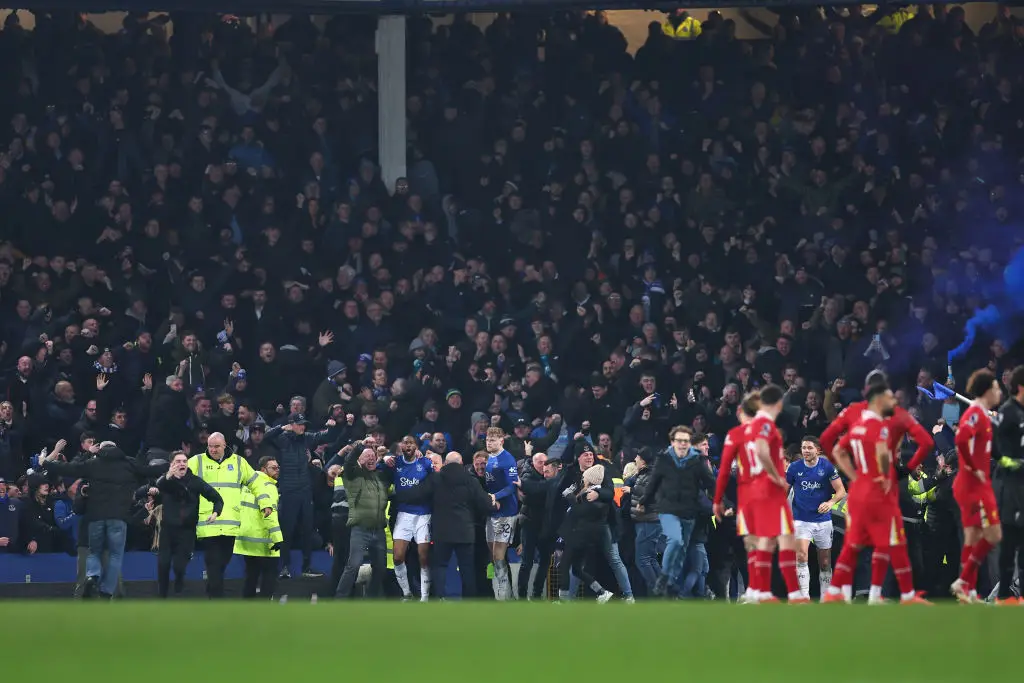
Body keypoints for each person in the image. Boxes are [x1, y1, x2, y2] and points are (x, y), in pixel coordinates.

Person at [825, 381, 930, 605]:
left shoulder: (858, 424)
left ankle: (838, 592)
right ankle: (902, 595)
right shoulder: (881, 426)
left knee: (855, 543)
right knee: (893, 541)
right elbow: (883, 452)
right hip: (879, 491)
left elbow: (835, 449)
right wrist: (887, 473)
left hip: (859, 489)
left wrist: (853, 476)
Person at [40, 441, 166, 598]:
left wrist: (45, 463)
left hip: (96, 517)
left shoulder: (93, 464)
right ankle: (106, 591)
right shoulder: (128, 464)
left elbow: (69, 469)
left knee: (94, 552)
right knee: (115, 556)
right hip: (118, 518)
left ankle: (92, 575)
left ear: (100, 450)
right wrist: (172, 466)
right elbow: (149, 470)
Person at [187, 432, 268, 598]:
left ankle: (212, 594)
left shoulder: (239, 462)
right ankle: (216, 602)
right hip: (209, 524)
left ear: (225, 445)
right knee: (214, 565)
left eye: (217, 446)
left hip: (231, 525)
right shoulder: (197, 461)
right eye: (210, 446)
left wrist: (265, 503)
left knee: (221, 565)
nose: (213, 449)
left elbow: (257, 484)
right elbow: (180, 476)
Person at [745, 384, 806, 603]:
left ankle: (764, 592)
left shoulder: (754, 424)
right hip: (767, 489)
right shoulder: (763, 424)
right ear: (778, 404)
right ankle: (790, 594)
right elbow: (761, 451)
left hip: (757, 489)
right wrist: (776, 477)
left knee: (769, 541)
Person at [641, 425, 715, 597]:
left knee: (691, 566)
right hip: (692, 528)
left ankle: (682, 594)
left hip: (693, 528)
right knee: (698, 568)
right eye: (704, 444)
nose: (707, 447)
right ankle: (683, 595)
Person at [262, 413, 339, 579]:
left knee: (307, 530)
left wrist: (332, 425)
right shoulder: (282, 438)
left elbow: (327, 435)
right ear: (291, 424)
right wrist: (281, 428)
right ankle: (283, 567)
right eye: (299, 424)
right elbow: (266, 437)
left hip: (305, 491)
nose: (303, 427)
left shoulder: (307, 438)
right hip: (288, 491)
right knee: (286, 532)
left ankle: (306, 567)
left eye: (304, 424)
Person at [951, 370, 1004, 604]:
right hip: (972, 484)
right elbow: (961, 439)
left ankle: (967, 590)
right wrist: (973, 467)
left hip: (976, 484)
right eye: (997, 387)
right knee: (993, 535)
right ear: (987, 390)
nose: (1000, 392)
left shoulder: (982, 414)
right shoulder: (974, 413)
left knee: (973, 538)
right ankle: (964, 583)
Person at [422, 452, 493, 598]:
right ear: (461, 463)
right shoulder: (470, 480)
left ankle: (437, 599)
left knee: (440, 567)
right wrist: (494, 504)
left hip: (442, 532)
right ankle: (469, 603)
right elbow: (485, 504)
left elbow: (419, 494)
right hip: (465, 532)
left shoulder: (435, 479)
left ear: (446, 464)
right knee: (467, 569)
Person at [155, 450, 224, 598]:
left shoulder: (195, 481)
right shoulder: (167, 481)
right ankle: (162, 596)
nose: (182, 464)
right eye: (178, 461)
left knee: (179, 566)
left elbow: (217, 498)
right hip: (167, 530)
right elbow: (160, 484)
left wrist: (215, 513)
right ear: (171, 464)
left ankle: (179, 578)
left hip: (187, 531)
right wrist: (168, 475)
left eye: (184, 461)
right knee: (163, 564)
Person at [713, 392, 760, 602]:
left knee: (745, 557)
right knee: (727, 560)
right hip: (729, 518)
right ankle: (729, 596)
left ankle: (750, 593)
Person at [786, 436, 845, 600]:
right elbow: (784, 489)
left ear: (817, 450)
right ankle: (803, 598)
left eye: (809, 448)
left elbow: (841, 490)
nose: (805, 451)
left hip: (822, 520)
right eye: (803, 448)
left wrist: (830, 502)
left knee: (825, 562)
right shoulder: (794, 468)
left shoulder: (827, 467)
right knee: (801, 556)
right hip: (801, 519)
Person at [335, 441, 391, 598]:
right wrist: (361, 445)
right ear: (359, 460)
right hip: (360, 528)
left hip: (379, 529)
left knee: (381, 568)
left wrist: (386, 458)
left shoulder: (379, 477)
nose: (371, 458)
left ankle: (371, 599)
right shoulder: (353, 476)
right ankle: (340, 599)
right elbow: (349, 461)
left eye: (373, 456)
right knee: (353, 565)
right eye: (367, 456)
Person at [383, 436, 433, 601]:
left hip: (423, 514)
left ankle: (425, 597)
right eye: (405, 442)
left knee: (423, 556)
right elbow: (375, 466)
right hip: (403, 514)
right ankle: (407, 593)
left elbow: (437, 478)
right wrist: (383, 458)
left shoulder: (425, 463)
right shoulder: (395, 462)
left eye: (411, 443)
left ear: (416, 446)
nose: (408, 445)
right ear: (401, 446)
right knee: (397, 557)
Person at [557, 464, 615, 603]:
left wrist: (570, 498)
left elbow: (580, 512)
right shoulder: (597, 493)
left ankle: (563, 602)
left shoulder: (592, 495)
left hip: (579, 535)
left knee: (564, 566)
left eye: (585, 477)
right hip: (586, 536)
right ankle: (602, 592)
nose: (583, 479)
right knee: (577, 569)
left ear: (590, 479)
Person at [994, 365, 1024, 604]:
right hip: (1013, 490)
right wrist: (1018, 463)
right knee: (1010, 547)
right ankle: (1004, 596)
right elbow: (998, 454)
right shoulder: (1008, 412)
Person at [235, 456, 284, 599]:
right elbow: (270, 515)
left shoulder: (246, 486)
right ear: (263, 469)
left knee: (251, 577)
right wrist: (277, 538)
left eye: (278, 468)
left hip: (246, 540)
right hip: (263, 540)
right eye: (273, 468)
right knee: (269, 577)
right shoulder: (269, 487)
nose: (277, 471)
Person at [483, 426, 519, 601]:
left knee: (498, 556)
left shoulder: (508, 459)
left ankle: (503, 597)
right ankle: (505, 592)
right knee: (493, 556)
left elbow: (513, 485)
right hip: (492, 513)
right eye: (488, 440)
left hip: (507, 512)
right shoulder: (488, 457)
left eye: (493, 440)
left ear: (501, 441)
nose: (489, 443)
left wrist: (495, 496)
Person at [625, 447, 660, 595]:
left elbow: (650, 496)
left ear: (644, 460)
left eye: (637, 457)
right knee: (650, 559)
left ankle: (657, 592)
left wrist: (631, 491)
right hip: (646, 522)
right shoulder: (646, 473)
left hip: (648, 522)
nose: (635, 460)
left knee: (642, 560)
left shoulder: (651, 475)